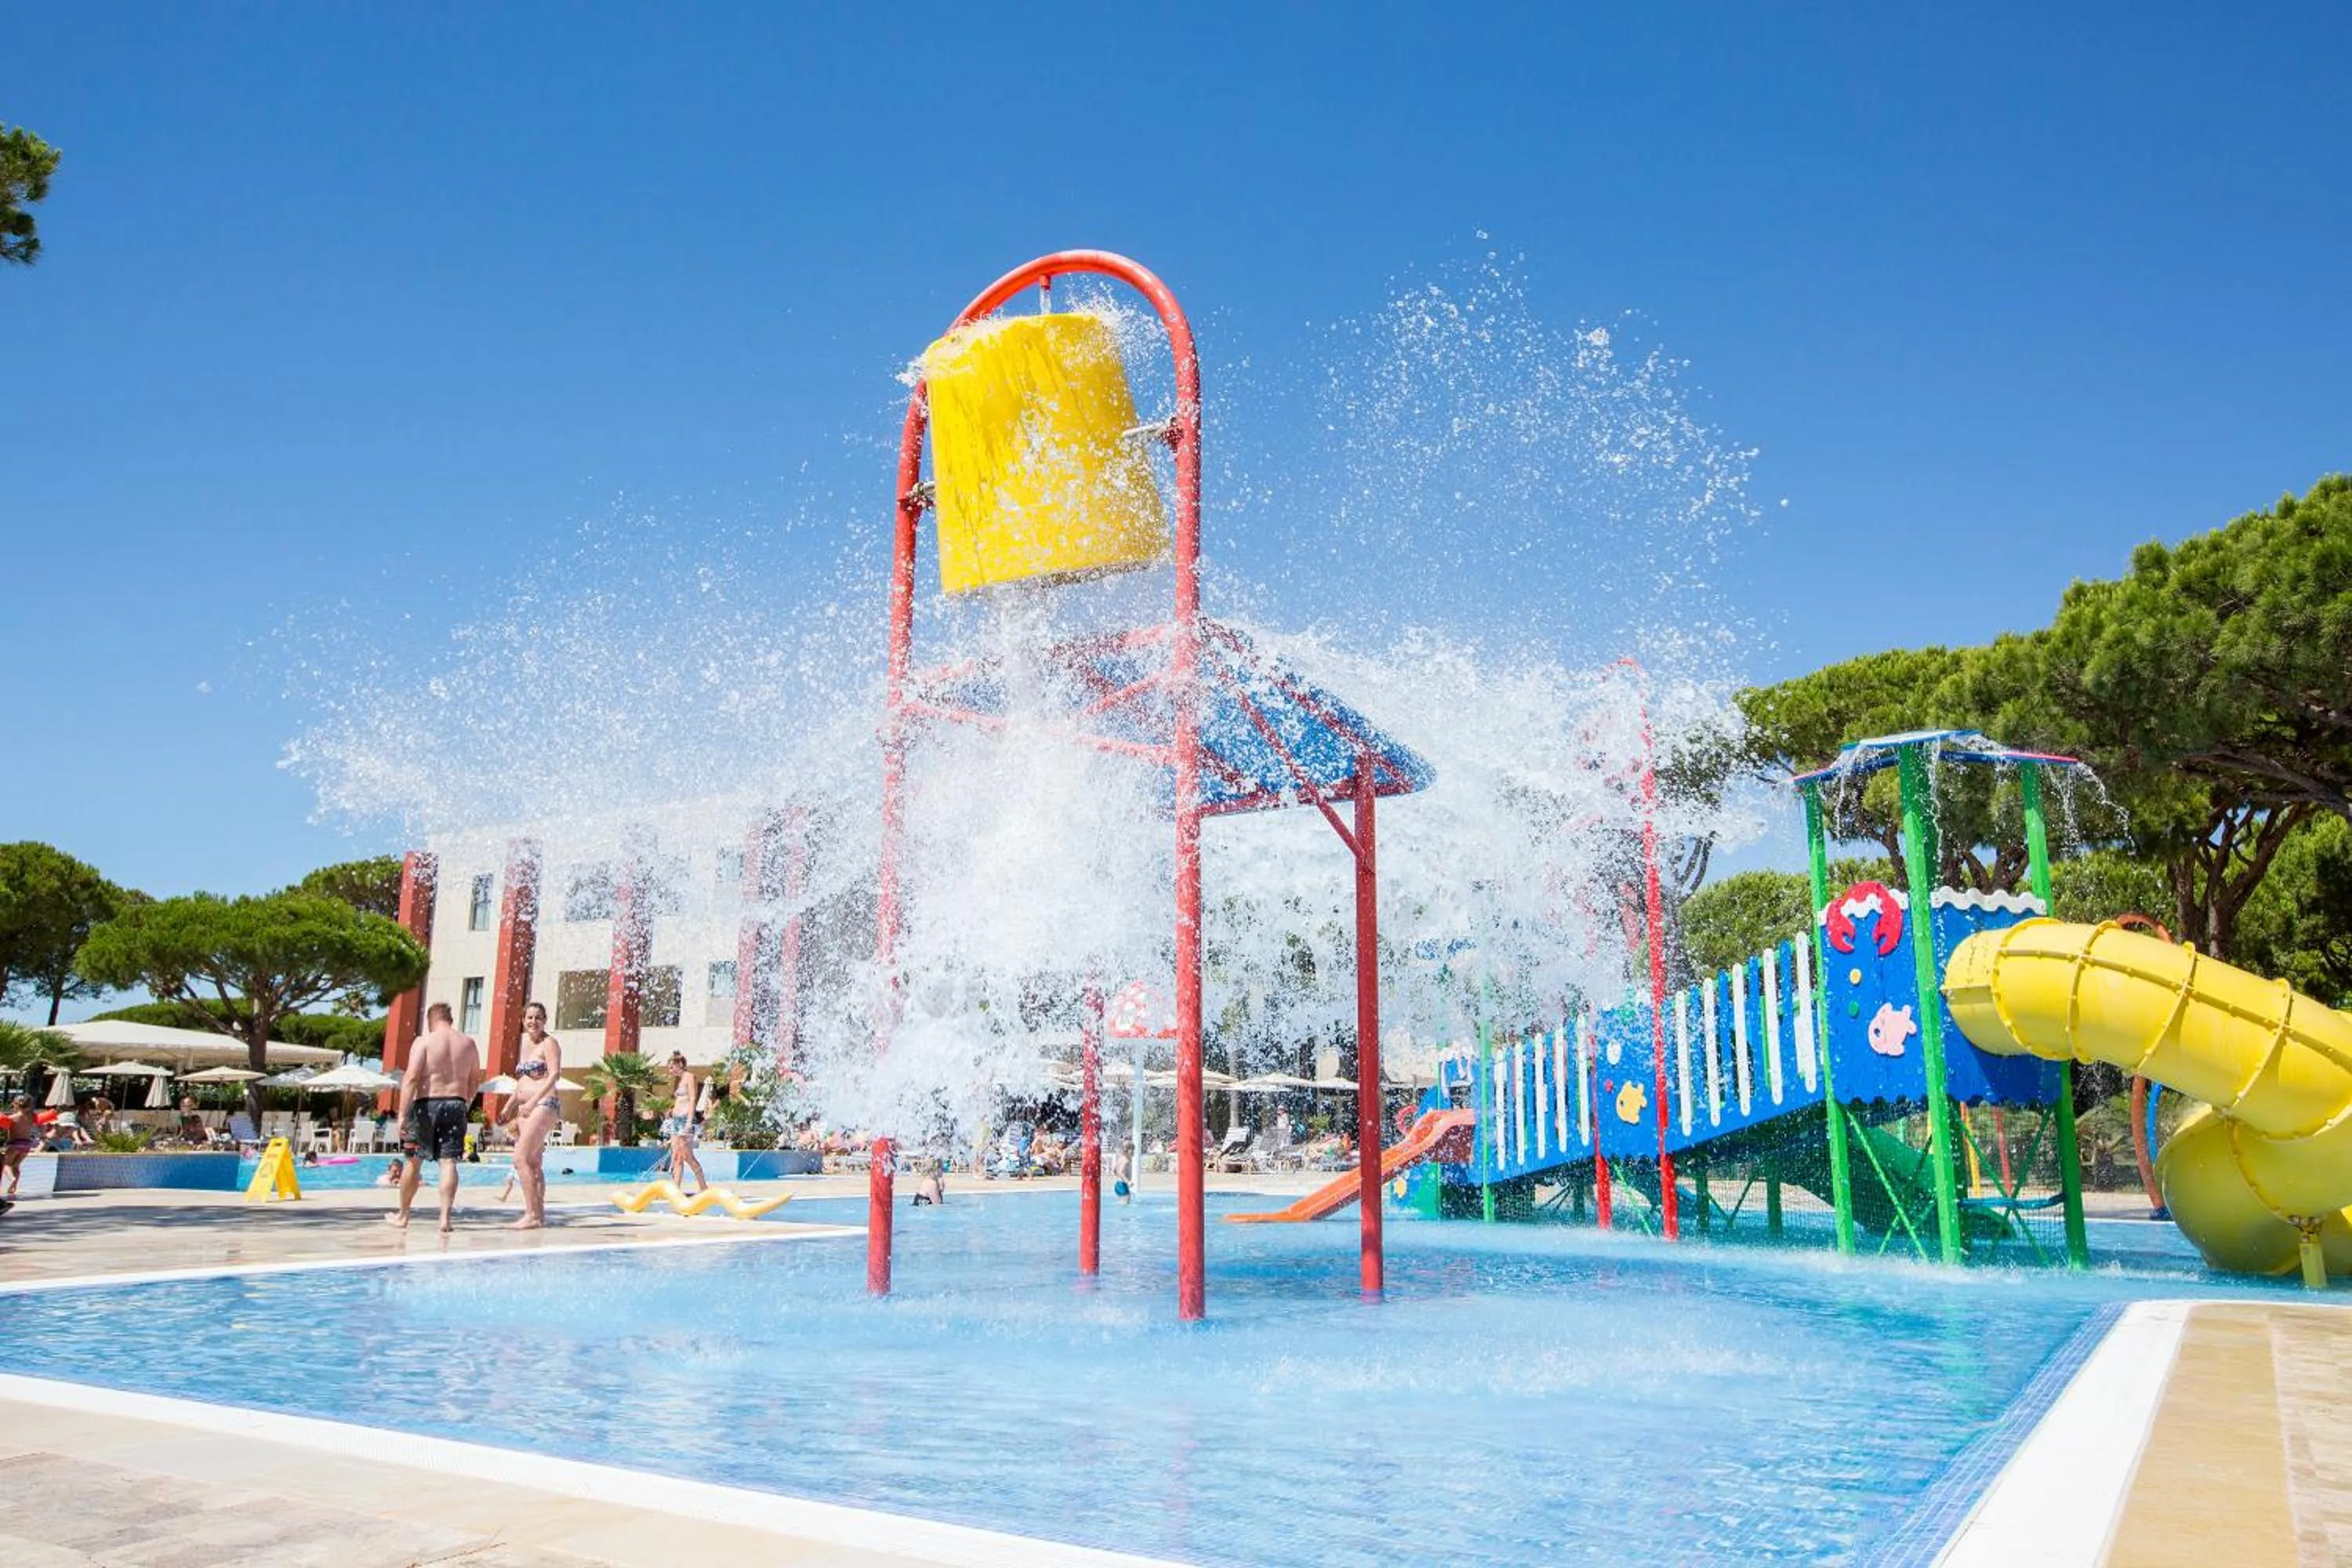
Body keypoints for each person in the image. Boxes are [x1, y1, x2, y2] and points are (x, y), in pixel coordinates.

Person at [390, 1000, 481, 1234]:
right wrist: (465, 1103)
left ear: (431, 1020)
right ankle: (444, 1219)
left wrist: (402, 1114)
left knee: (414, 1160)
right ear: (450, 1019)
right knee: (448, 1162)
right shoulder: (468, 1043)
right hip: (457, 1104)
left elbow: (410, 1078)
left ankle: (403, 1215)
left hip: (426, 1104)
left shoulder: (424, 1042)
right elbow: (474, 1081)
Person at [498, 1000, 564, 1230]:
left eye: (538, 1017)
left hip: (544, 1104)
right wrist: (509, 1106)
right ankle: (539, 1213)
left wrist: (533, 1101)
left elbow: (554, 1075)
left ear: (545, 1020)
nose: (533, 1022)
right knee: (534, 1163)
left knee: (520, 1159)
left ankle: (532, 1214)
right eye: (529, 1018)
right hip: (524, 1107)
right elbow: (522, 1082)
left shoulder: (549, 1043)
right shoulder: (524, 1045)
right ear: (523, 1021)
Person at [661, 1052, 707, 1195]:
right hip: (675, 1120)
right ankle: (676, 1190)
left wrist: (689, 1123)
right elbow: (680, 1101)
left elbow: (693, 1100)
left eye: (671, 1067)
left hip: (684, 1121)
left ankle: (703, 1187)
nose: (670, 1071)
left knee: (687, 1156)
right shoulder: (680, 1080)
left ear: (680, 1064)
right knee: (676, 1157)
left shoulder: (690, 1077)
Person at [2, 1094, 34, 1196]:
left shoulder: (12, 1118)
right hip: (27, 1145)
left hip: (15, 1144)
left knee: (6, 1164)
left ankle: (12, 1179)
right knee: (16, 1166)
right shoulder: (31, 1118)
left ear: (16, 1105)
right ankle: (14, 1187)